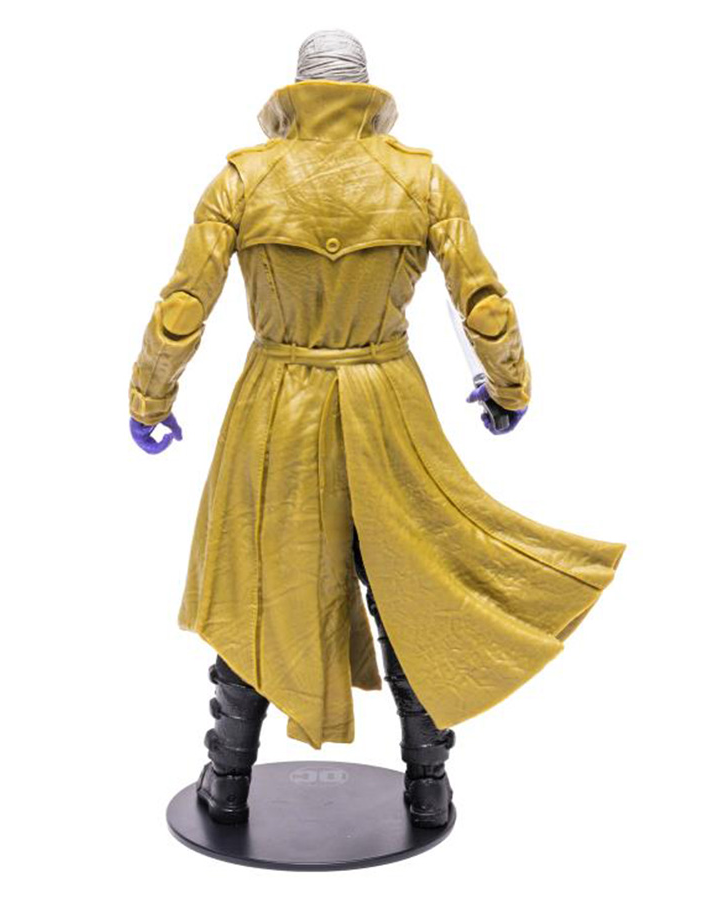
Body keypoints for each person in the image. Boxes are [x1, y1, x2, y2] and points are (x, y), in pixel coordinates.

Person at [128, 30, 625, 828]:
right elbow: (483, 301)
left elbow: (184, 303)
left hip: (275, 407)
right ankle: (428, 787)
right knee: (409, 584)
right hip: (387, 399)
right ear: (367, 90)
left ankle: (227, 783)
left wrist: (150, 397)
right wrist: (508, 387)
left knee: (256, 588)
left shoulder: (243, 179)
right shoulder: (419, 179)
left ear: (296, 88)